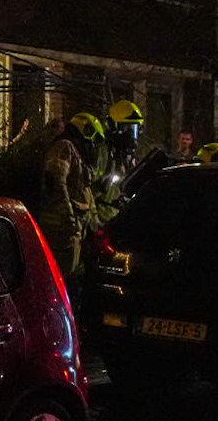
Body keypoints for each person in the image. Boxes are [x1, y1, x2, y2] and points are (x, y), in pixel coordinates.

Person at [39, 112, 103, 289]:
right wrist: (68, 219)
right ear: (86, 130)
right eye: (93, 138)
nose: (92, 145)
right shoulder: (64, 147)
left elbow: (85, 193)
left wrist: (96, 226)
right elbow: (55, 182)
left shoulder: (75, 153)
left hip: (73, 231)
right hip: (61, 231)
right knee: (58, 283)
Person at [93, 99, 145, 226]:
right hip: (102, 222)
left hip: (122, 222)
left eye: (134, 129)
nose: (131, 136)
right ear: (113, 126)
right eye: (127, 128)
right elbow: (87, 192)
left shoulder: (131, 157)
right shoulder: (101, 152)